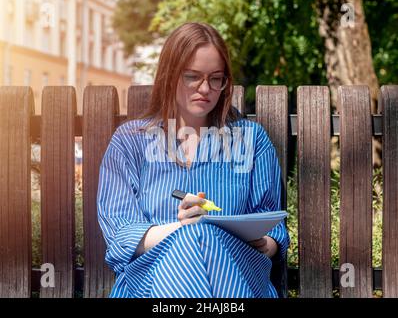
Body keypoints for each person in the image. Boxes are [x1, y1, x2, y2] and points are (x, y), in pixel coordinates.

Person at [97, 22, 290, 298]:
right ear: (169, 74)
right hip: (152, 281)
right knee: (193, 238)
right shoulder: (130, 141)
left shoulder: (250, 139)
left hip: (236, 274)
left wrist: (266, 242)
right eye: (192, 76)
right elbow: (121, 233)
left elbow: (272, 227)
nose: (205, 88)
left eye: (216, 78)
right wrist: (184, 230)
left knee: (204, 237)